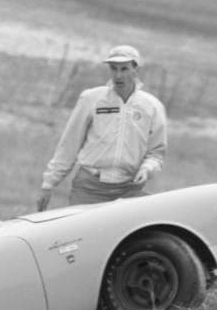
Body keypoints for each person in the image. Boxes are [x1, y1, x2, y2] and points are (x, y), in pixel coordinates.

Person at [36, 45, 167, 211]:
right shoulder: (91, 99)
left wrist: (147, 169)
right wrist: (48, 184)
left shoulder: (152, 106)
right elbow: (69, 143)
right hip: (89, 187)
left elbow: (156, 153)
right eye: (114, 69)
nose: (118, 75)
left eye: (124, 69)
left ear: (136, 69)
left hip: (129, 189)